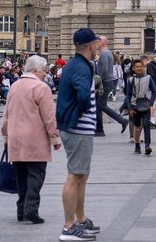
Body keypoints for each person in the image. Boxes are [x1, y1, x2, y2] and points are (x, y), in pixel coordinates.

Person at [1, 55, 61, 225]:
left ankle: (21, 210)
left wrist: (5, 135)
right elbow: (49, 118)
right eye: (44, 70)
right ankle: (31, 209)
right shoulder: (41, 88)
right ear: (35, 70)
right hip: (35, 139)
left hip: (16, 138)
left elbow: (6, 114)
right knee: (36, 175)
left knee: (20, 175)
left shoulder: (14, 86)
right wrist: (55, 138)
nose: (45, 73)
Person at [55, 28, 101, 241]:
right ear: (90, 45)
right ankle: (68, 226)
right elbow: (82, 95)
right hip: (77, 127)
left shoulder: (76, 65)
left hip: (77, 127)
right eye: (96, 44)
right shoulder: (82, 67)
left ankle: (80, 220)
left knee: (81, 175)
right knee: (75, 176)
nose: (98, 47)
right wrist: (83, 111)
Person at [94, 37, 128, 137]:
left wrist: (97, 82)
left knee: (101, 105)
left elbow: (103, 70)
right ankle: (99, 129)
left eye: (97, 41)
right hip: (107, 81)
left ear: (102, 42)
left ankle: (122, 121)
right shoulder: (107, 53)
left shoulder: (104, 54)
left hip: (104, 82)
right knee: (99, 106)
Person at [125, 59, 156, 156]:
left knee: (146, 125)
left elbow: (154, 91)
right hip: (135, 105)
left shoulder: (148, 78)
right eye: (137, 67)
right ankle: (137, 145)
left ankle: (147, 146)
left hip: (145, 104)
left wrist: (150, 102)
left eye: (141, 66)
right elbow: (128, 95)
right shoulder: (130, 80)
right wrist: (130, 108)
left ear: (143, 67)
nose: (139, 68)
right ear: (134, 69)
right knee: (137, 127)